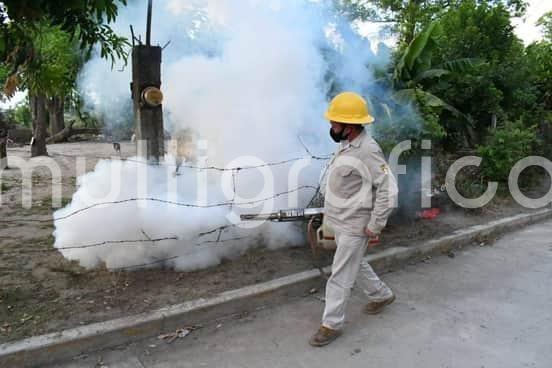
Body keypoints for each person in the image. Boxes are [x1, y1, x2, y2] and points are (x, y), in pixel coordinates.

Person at [309, 92, 399, 347]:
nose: (331, 126)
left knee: (340, 275)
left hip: (354, 225)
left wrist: (374, 225)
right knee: (354, 264)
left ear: (349, 127)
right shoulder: (346, 144)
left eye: (335, 122)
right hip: (338, 219)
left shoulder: (368, 151)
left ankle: (331, 325)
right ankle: (381, 295)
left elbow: (388, 189)